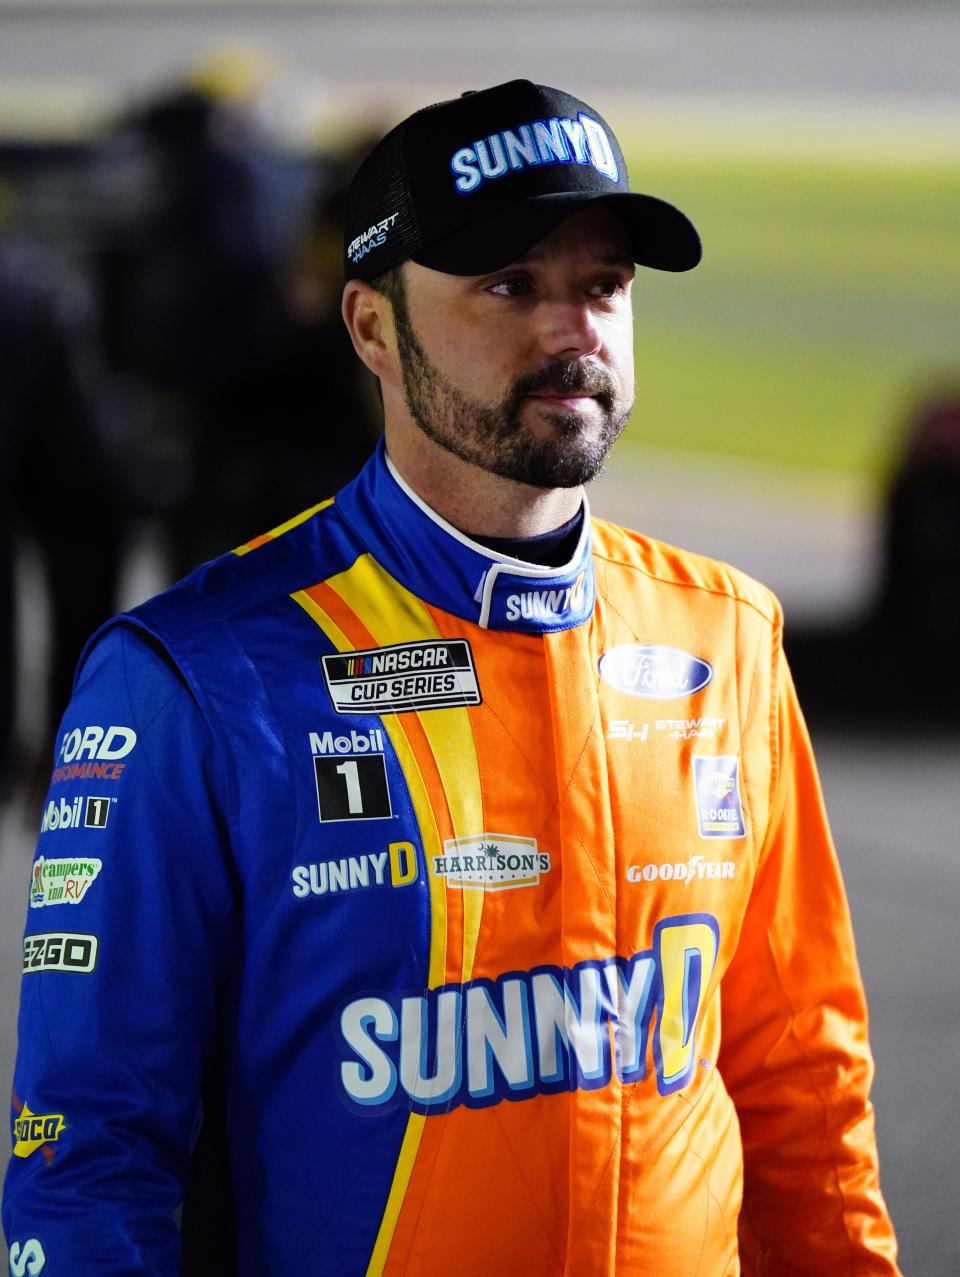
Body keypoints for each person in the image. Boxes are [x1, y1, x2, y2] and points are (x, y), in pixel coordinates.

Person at [3, 79, 900, 1276]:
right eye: (507, 284)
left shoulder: (726, 633)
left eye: (602, 285)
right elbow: (85, 1155)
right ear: (373, 328)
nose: (571, 328)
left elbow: (804, 1081)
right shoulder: (192, 675)